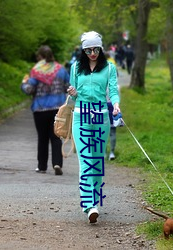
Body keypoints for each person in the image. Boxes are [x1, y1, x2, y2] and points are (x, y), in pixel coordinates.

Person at [67, 31, 120, 223]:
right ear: (83, 50)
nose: (92, 53)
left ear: (101, 48)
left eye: (96, 49)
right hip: (80, 116)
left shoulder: (109, 68)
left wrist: (115, 104)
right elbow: (73, 97)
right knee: (86, 159)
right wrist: (72, 92)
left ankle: (94, 201)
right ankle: (89, 205)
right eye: (88, 50)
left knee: (97, 161)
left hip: (100, 116)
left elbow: (113, 90)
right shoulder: (75, 68)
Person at [21, 45, 70, 175]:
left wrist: (24, 83)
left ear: (40, 57)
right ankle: (57, 163)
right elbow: (68, 87)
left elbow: (29, 90)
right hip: (57, 109)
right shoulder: (61, 70)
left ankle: (42, 166)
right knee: (56, 137)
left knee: (42, 138)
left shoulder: (36, 71)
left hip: (40, 109)